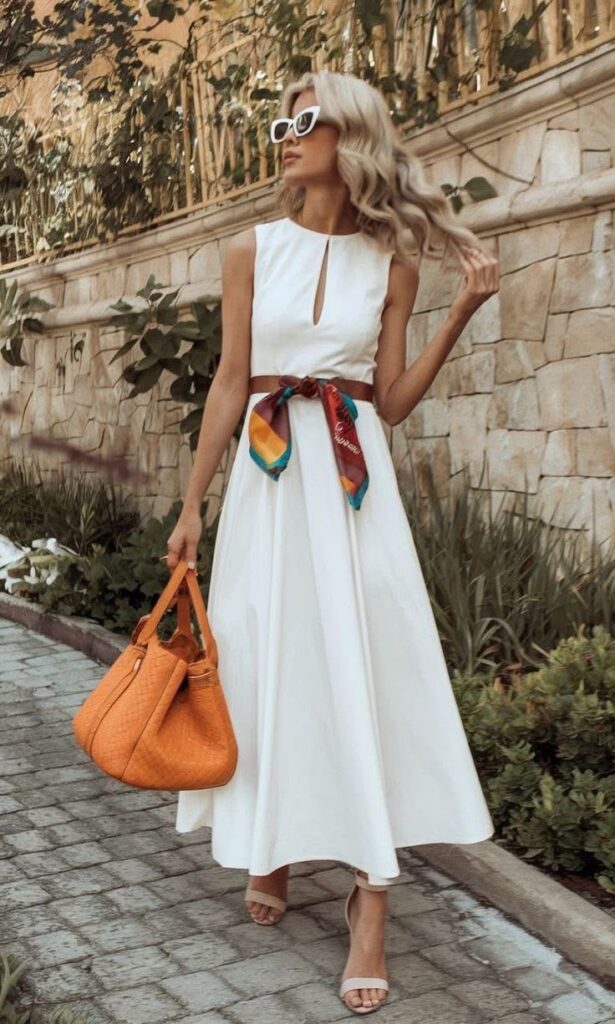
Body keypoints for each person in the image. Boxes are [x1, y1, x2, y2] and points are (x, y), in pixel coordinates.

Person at [165, 68, 499, 1016]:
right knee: (267, 662)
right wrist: (192, 508)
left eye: (303, 119)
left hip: (351, 485)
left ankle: (370, 905)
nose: (284, 132)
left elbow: (386, 402)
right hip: (267, 487)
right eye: (279, 118)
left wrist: (458, 313)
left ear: (349, 135)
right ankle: (270, 842)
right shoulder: (248, 249)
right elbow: (231, 383)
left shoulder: (394, 264)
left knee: (361, 664)